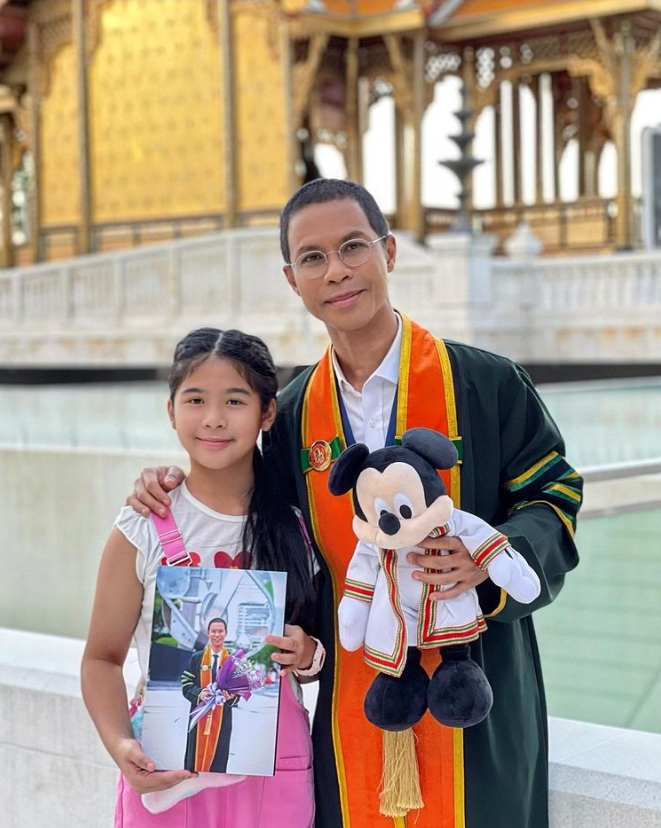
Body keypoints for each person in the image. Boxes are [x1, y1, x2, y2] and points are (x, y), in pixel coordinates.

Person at [128, 179, 584, 828]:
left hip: (478, 688)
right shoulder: (291, 417)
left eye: (352, 247)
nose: (336, 271)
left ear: (388, 252)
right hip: (354, 695)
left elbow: (554, 495)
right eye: (312, 258)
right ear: (292, 280)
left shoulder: (485, 384)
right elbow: (250, 517)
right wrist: (168, 485)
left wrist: (489, 562)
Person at [81, 327, 320, 828]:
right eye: (195, 400)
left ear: (267, 412)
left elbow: (324, 650)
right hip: (166, 772)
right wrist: (121, 744)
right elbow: (102, 658)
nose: (213, 418)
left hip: (274, 768)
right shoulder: (143, 526)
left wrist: (306, 653)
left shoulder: (298, 528)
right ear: (171, 411)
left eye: (234, 400)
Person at [181, 617, 239, 774]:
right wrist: (199, 693)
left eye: (220, 631)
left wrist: (231, 697)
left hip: (222, 717)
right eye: (214, 631)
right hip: (199, 714)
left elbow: (238, 689)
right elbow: (186, 683)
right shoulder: (196, 658)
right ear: (208, 633)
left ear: (226, 633)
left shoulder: (232, 661)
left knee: (219, 756)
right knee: (194, 757)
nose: (217, 635)